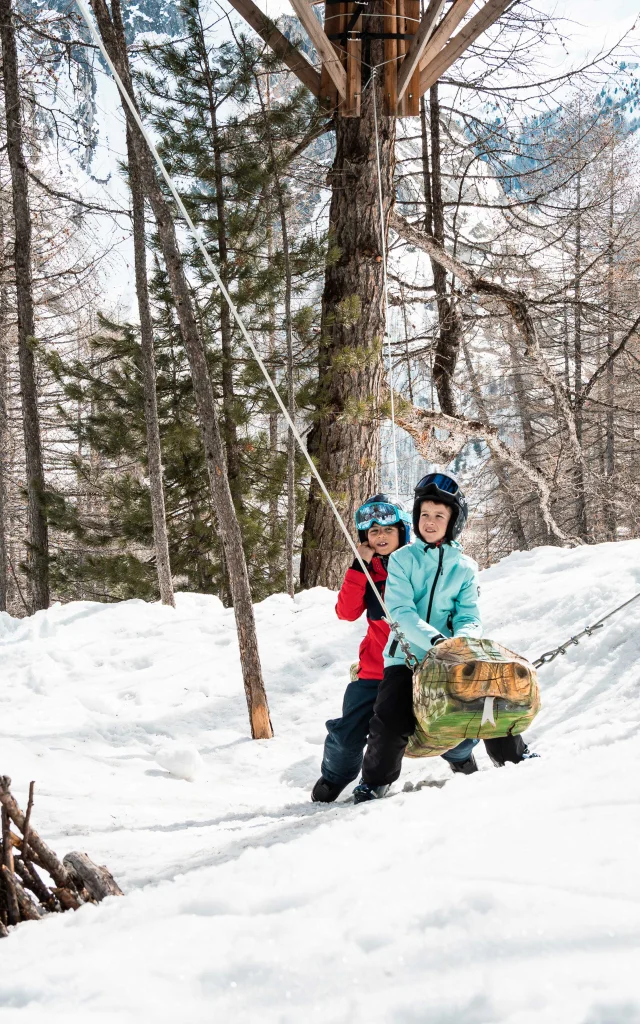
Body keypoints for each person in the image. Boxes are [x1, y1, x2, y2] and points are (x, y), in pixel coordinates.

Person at [353, 472, 534, 804]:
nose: (430, 522)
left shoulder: (464, 567)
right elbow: (401, 612)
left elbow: (468, 615)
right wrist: (437, 642)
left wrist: (462, 643)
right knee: (391, 716)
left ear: (453, 522)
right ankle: (375, 781)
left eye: (439, 515)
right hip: (406, 655)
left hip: (454, 656)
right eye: (424, 514)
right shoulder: (402, 560)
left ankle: (514, 757)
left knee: (489, 694)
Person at [311, 494, 412, 803]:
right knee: (345, 734)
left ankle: (462, 758)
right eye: (374, 532)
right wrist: (359, 566)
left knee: (433, 719)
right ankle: (335, 776)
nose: (381, 537)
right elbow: (346, 612)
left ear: (402, 532)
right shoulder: (366, 572)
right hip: (373, 669)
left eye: (388, 530)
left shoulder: (417, 567)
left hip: (413, 666)